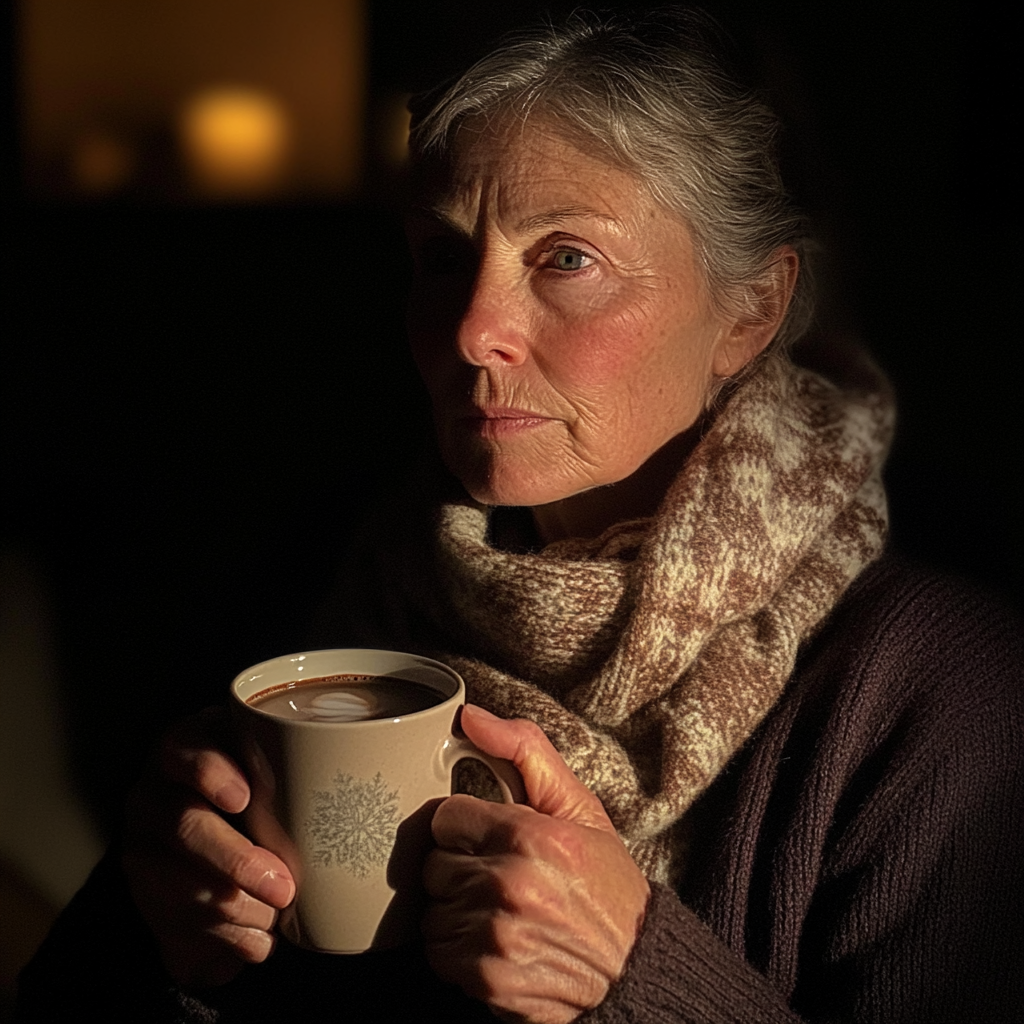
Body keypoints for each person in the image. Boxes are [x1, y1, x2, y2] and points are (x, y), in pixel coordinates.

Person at [17, 9, 1022, 1023]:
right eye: (443, 257)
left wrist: (641, 974)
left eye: (567, 258)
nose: (472, 330)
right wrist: (153, 931)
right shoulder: (337, 615)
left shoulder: (938, 697)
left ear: (751, 311)